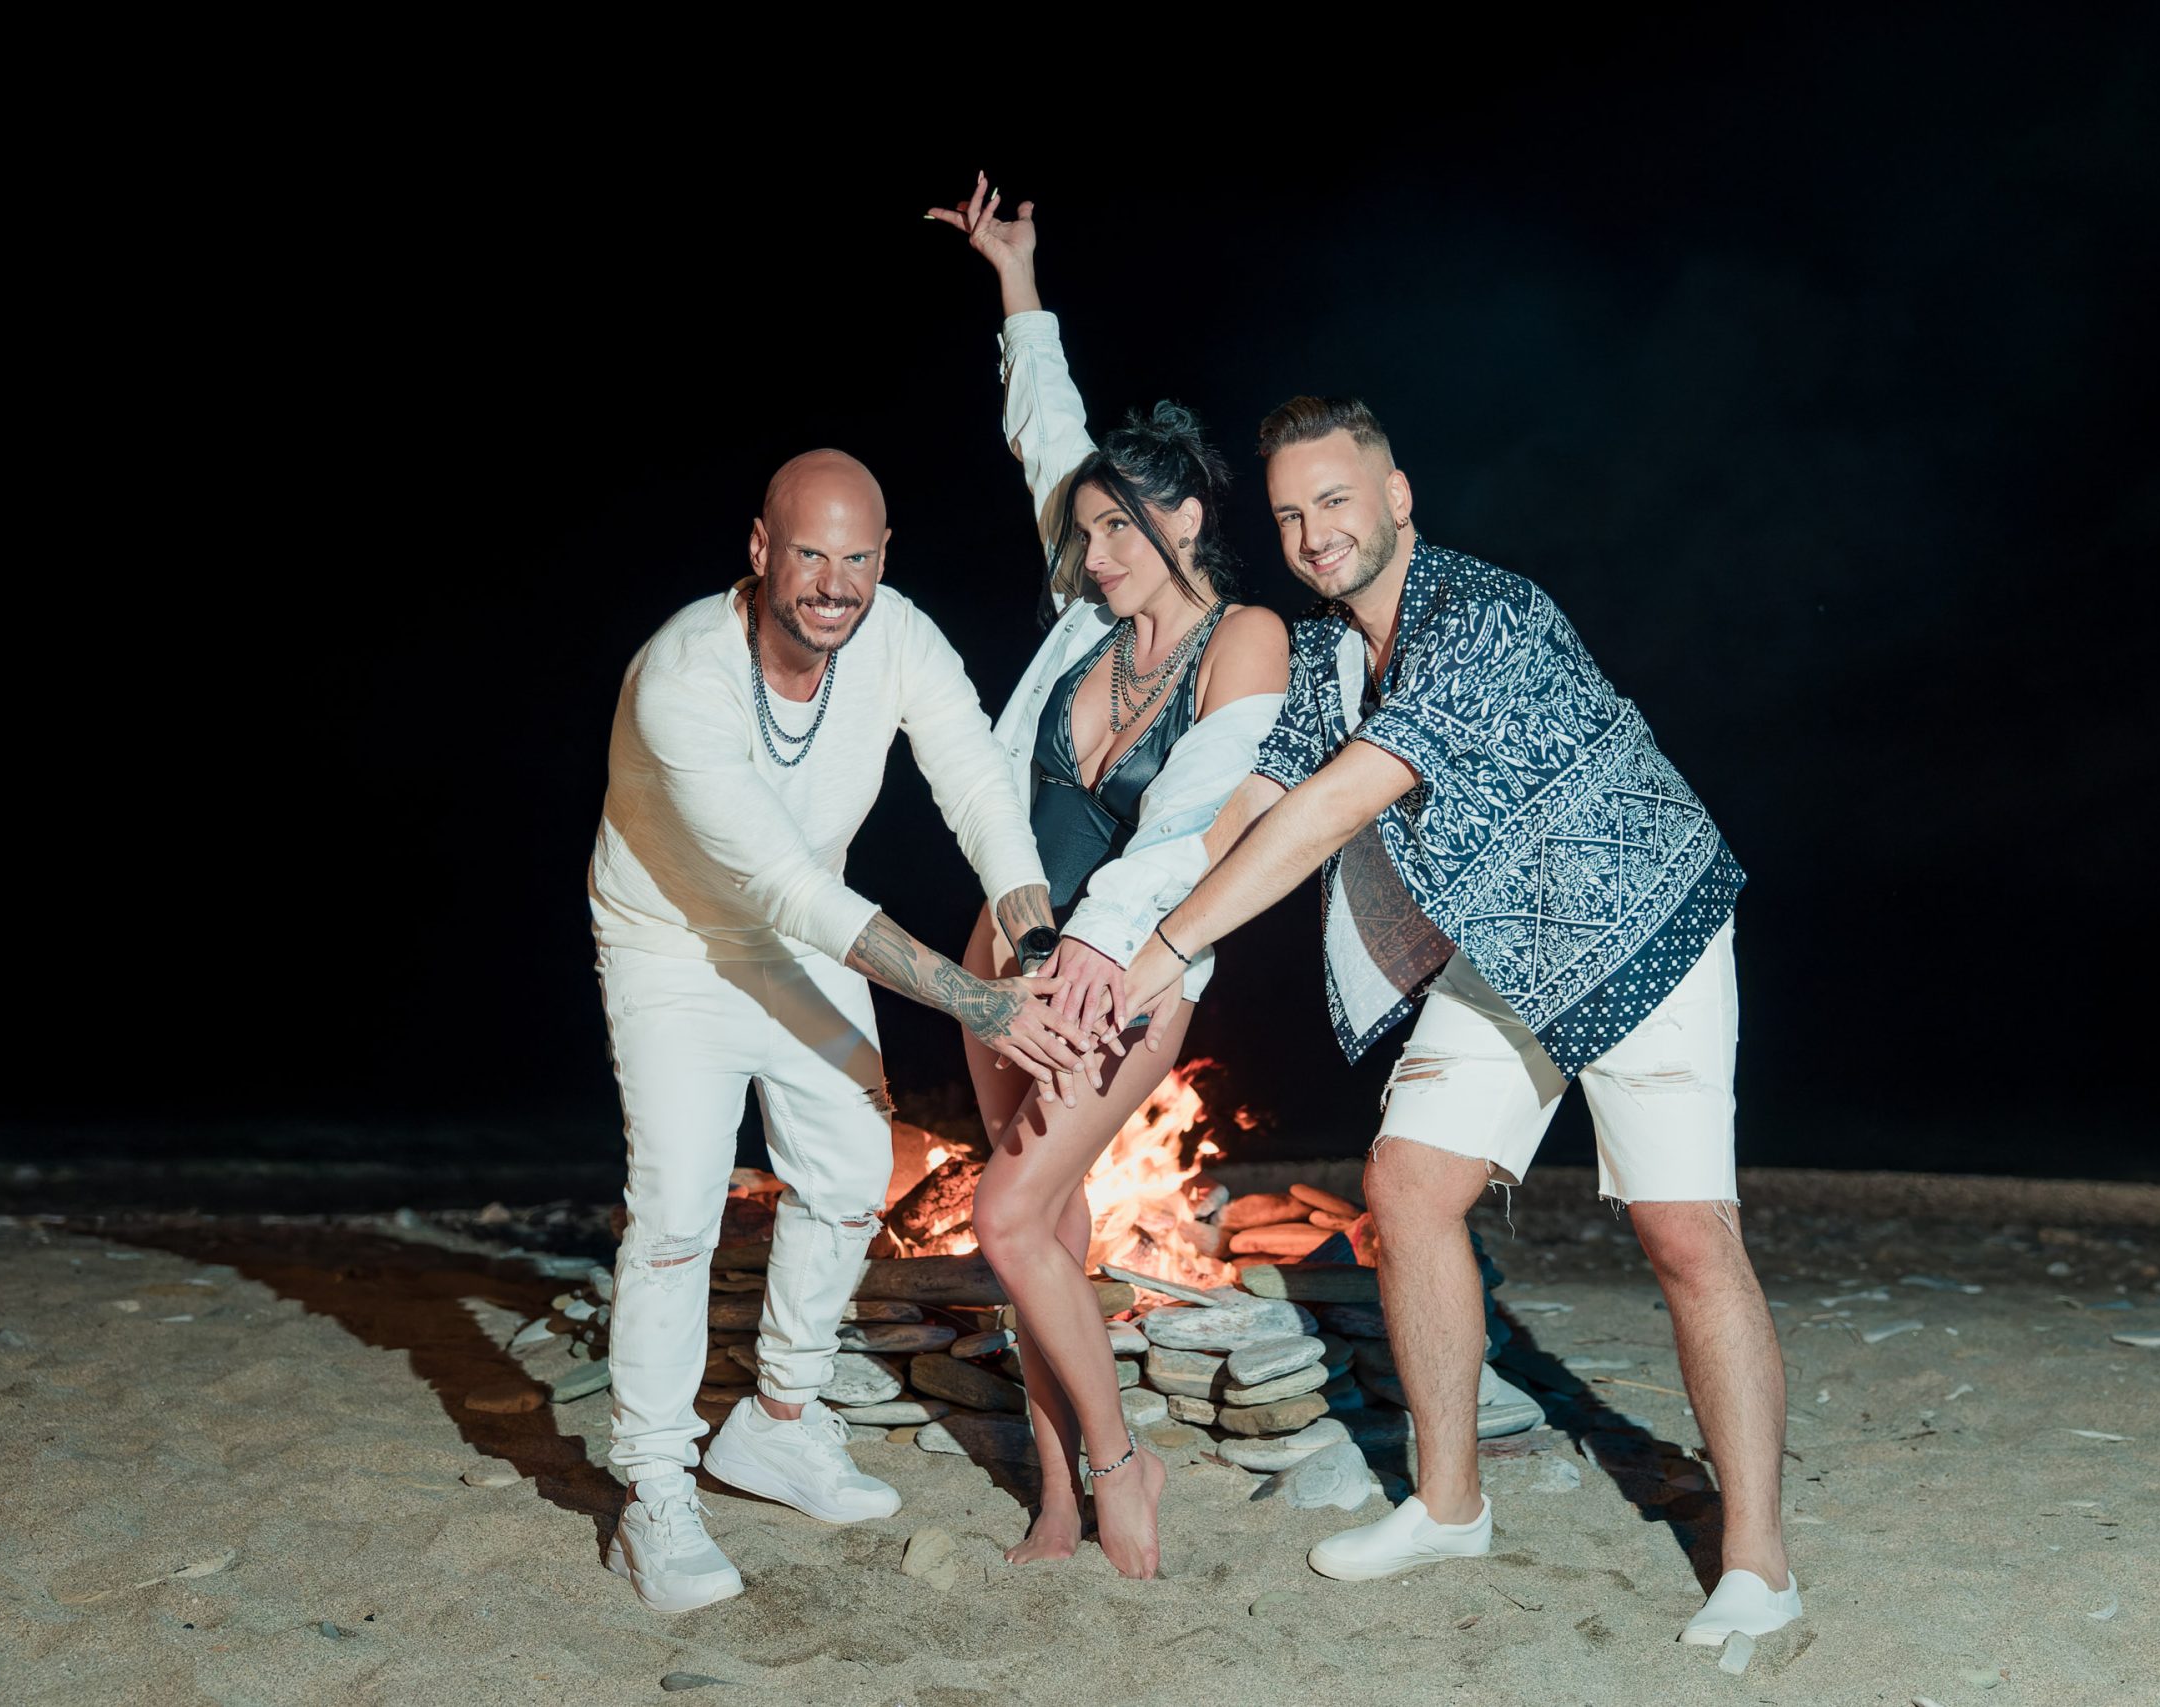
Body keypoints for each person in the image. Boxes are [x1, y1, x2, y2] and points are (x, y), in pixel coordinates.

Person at [1115, 399, 1800, 1645]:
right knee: (1408, 1184)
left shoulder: (1482, 614)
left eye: (1335, 500)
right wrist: (1130, 940)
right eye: (1289, 515)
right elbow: (1254, 804)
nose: (1314, 534)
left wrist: (1171, 949)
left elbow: (1330, 810)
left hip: (1638, 919)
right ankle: (1447, 1507)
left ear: (1396, 498)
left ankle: (1759, 1565)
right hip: (1503, 943)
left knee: (1684, 1236)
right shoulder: (1328, 654)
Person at [587, 447, 1093, 1612]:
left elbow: (976, 782)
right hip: (673, 947)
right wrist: (979, 1005)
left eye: (856, 559)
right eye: (809, 555)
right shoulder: (682, 675)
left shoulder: (897, 634)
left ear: (883, 557)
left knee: (853, 1174)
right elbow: (787, 887)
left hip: (808, 939)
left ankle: (778, 1421)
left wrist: (1033, 948)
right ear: (761, 550)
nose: (833, 585)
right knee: (675, 1214)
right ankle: (652, 1489)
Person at [926, 176, 1288, 1579]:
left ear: (1187, 517)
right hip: (1002, 961)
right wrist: (1015, 283)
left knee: (1004, 1215)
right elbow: (1048, 438)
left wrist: (1098, 949)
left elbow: (1194, 819)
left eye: (1123, 527)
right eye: (1085, 532)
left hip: (1124, 972)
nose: (1093, 550)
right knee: (1048, 1227)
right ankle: (1058, 1492)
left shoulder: (1243, 637)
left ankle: (1124, 1462)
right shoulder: (1084, 620)